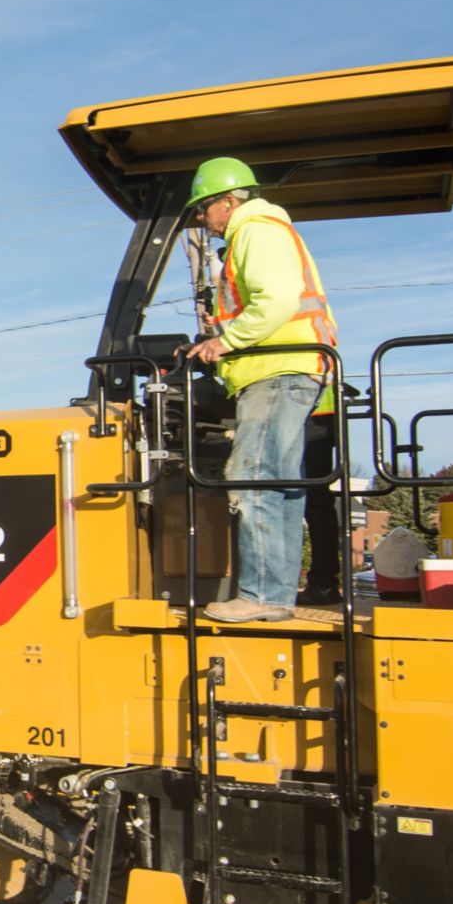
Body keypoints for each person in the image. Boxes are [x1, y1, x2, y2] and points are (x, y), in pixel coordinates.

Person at [182, 157, 339, 621]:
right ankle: (273, 596)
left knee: (253, 477)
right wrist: (224, 327)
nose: (201, 220)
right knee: (278, 485)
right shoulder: (262, 231)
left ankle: (263, 597)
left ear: (227, 202)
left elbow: (276, 300)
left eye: (203, 209)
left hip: (276, 372)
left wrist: (224, 341)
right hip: (284, 370)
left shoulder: (257, 230)